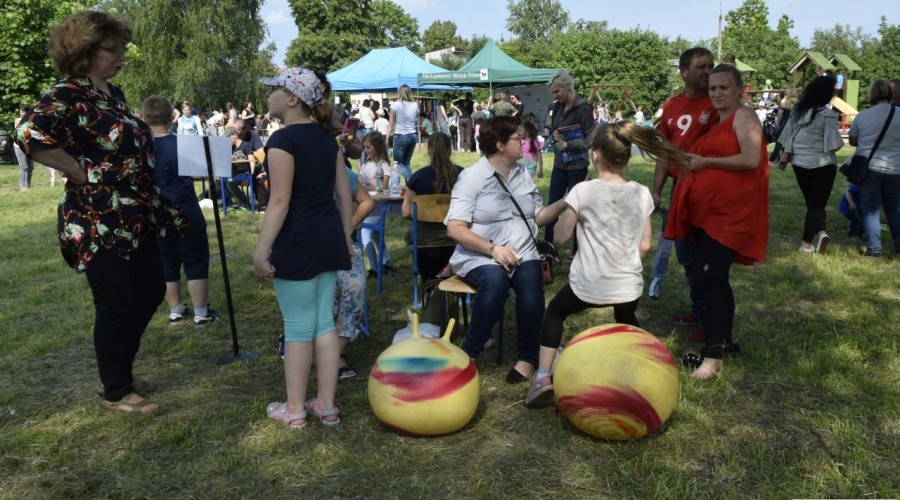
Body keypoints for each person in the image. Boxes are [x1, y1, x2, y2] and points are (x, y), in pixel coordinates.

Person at [15, 11, 185, 413]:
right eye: (112, 49)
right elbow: (28, 132)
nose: (120, 55)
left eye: (121, 47)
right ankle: (116, 391)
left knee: (150, 291)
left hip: (135, 215)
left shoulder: (114, 94)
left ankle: (119, 372)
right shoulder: (68, 93)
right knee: (115, 302)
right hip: (97, 218)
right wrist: (78, 170)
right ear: (86, 51)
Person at [525, 122, 686, 406]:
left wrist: (568, 203)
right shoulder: (641, 193)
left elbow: (560, 237)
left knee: (555, 313)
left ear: (595, 155)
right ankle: (649, 366)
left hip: (588, 285)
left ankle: (542, 377)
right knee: (625, 318)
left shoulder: (581, 191)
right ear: (625, 156)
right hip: (628, 284)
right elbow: (646, 244)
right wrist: (624, 265)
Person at [253, 67, 353, 428]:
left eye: (274, 89)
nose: (268, 95)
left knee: (297, 327)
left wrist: (260, 251)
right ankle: (326, 405)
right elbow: (345, 195)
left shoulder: (281, 141)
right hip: (327, 237)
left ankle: (295, 409)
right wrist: (345, 238)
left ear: (292, 98)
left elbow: (279, 201)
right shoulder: (328, 139)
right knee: (324, 323)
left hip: (297, 239)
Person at [664, 64, 770, 380]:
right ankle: (724, 344)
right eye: (712, 89)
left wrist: (706, 161)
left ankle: (712, 358)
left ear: (739, 90)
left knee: (706, 279)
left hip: (733, 216)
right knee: (716, 279)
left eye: (724, 88)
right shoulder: (719, 122)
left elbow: (751, 159)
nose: (717, 94)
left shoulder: (744, 116)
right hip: (716, 215)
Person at [445, 116, 547, 383]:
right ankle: (470, 352)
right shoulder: (472, 177)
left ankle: (527, 358)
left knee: (530, 279)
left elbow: (538, 215)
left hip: (523, 251)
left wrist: (569, 203)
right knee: (496, 280)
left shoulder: (522, 173)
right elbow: (455, 228)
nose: (524, 143)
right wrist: (493, 249)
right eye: (518, 138)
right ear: (501, 145)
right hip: (480, 255)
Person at [651, 47, 716, 333]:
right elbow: (664, 153)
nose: (707, 71)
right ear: (684, 71)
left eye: (710, 66)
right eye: (701, 66)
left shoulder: (717, 103)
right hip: (680, 190)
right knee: (686, 253)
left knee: (707, 257)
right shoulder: (672, 106)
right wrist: (656, 191)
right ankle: (698, 310)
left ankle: (710, 318)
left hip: (708, 189)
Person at [142, 96, 219, 326]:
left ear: (145, 118)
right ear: (172, 116)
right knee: (195, 261)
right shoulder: (182, 143)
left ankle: (176, 309)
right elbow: (199, 174)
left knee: (166, 262)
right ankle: (201, 312)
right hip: (185, 209)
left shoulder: (141, 147)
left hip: (155, 213)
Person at [776, 76, 843, 253]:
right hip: (823, 164)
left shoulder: (798, 111)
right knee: (816, 205)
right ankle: (806, 243)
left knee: (813, 203)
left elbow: (787, 136)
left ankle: (822, 233)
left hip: (799, 163)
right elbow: (833, 144)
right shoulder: (828, 115)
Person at [545, 69, 596, 257]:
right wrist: (555, 134)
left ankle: (578, 250)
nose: (555, 95)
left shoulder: (583, 109)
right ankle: (548, 249)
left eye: (557, 91)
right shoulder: (556, 106)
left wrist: (569, 144)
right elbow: (553, 130)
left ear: (567, 88)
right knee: (552, 206)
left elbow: (592, 139)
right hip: (560, 166)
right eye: (553, 92)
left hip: (577, 167)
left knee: (577, 208)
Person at [848, 78, 900, 257]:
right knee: (894, 209)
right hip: (895, 168)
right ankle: (898, 245)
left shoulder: (863, 115)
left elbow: (853, 140)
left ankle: (875, 248)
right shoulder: (899, 113)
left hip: (869, 168)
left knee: (871, 210)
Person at [402, 132, 462, 280]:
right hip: (456, 236)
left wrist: (427, 216)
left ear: (428, 151)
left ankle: (427, 277)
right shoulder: (463, 175)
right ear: (450, 150)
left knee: (412, 233)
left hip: (424, 237)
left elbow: (406, 212)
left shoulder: (417, 178)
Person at [358, 131, 393, 275]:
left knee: (365, 232)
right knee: (376, 235)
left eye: (368, 147)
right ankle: (386, 262)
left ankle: (374, 267)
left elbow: (384, 186)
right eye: (364, 148)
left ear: (377, 147)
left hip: (378, 206)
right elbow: (359, 184)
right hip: (366, 204)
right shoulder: (365, 166)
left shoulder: (383, 165)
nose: (365, 151)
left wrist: (366, 187)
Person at [387, 84, 419, 180]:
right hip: (413, 135)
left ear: (399, 93)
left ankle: (410, 179)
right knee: (406, 163)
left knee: (398, 163)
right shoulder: (415, 105)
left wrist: (387, 137)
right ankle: (411, 186)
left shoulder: (395, 105)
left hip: (400, 135)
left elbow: (391, 123)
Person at [224, 125, 257, 208]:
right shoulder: (230, 147)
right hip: (235, 173)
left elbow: (252, 161)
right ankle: (230, 200)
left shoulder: (246, 145)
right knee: (218, 181)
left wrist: (251, 175)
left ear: (235, 135)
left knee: (230, 184)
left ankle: (245, 202)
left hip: (245, 173)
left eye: (228, 137)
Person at [769, 88, 799, 163]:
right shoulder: (798, 105)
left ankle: (773, 158)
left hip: (784, 125)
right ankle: (790, 158)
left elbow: (780, 116)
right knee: (792, 143)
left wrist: (777, 125)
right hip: (794, 125)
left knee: (779, 143)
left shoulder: (785, 104)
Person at [13, 106, 35, 190]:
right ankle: (23, 187)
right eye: (21, 111)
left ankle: (28, 186)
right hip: (19, 146)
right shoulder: (18, 120)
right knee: (24, 167)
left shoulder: (32, 121)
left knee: (30, 167)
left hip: (29, 147)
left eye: (24, 112)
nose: (22, 113)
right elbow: (20, 131)